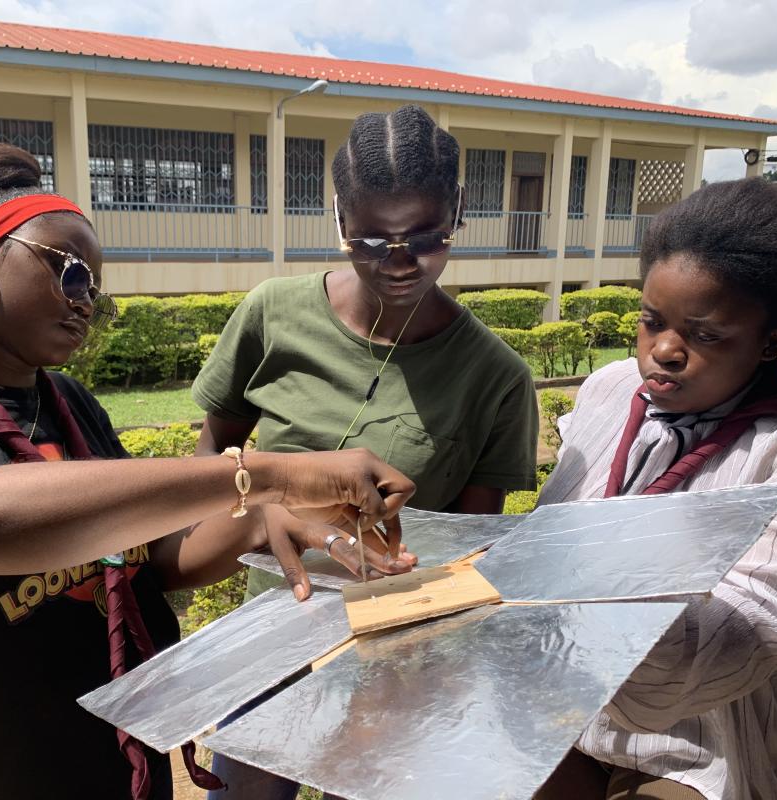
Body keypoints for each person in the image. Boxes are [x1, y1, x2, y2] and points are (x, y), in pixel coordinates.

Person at [0, 143, 417, 800]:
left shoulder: (70, 404)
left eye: (94, 290)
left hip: (119, 766)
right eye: (71, 273)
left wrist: (260, 522)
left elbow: (147, 558)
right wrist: (261, 475)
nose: (85, 302)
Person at [193, 104, 539, 799]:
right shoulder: (271, 316)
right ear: (337, 218)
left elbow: (469, 547)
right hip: (271, 639)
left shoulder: (495, 376)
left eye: (426, 238)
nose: (400, 263)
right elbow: (204, 474)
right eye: (370, 240)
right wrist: (260, 511)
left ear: (458, 211)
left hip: (398, 656)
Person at [534, 178, 777, 800]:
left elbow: (747, 634)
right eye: (651, 321)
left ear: (773, 340)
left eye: (705, 334)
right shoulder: (611, 391)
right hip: (569, 719)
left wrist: (584, 592)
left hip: (707, 751)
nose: (663, 350)